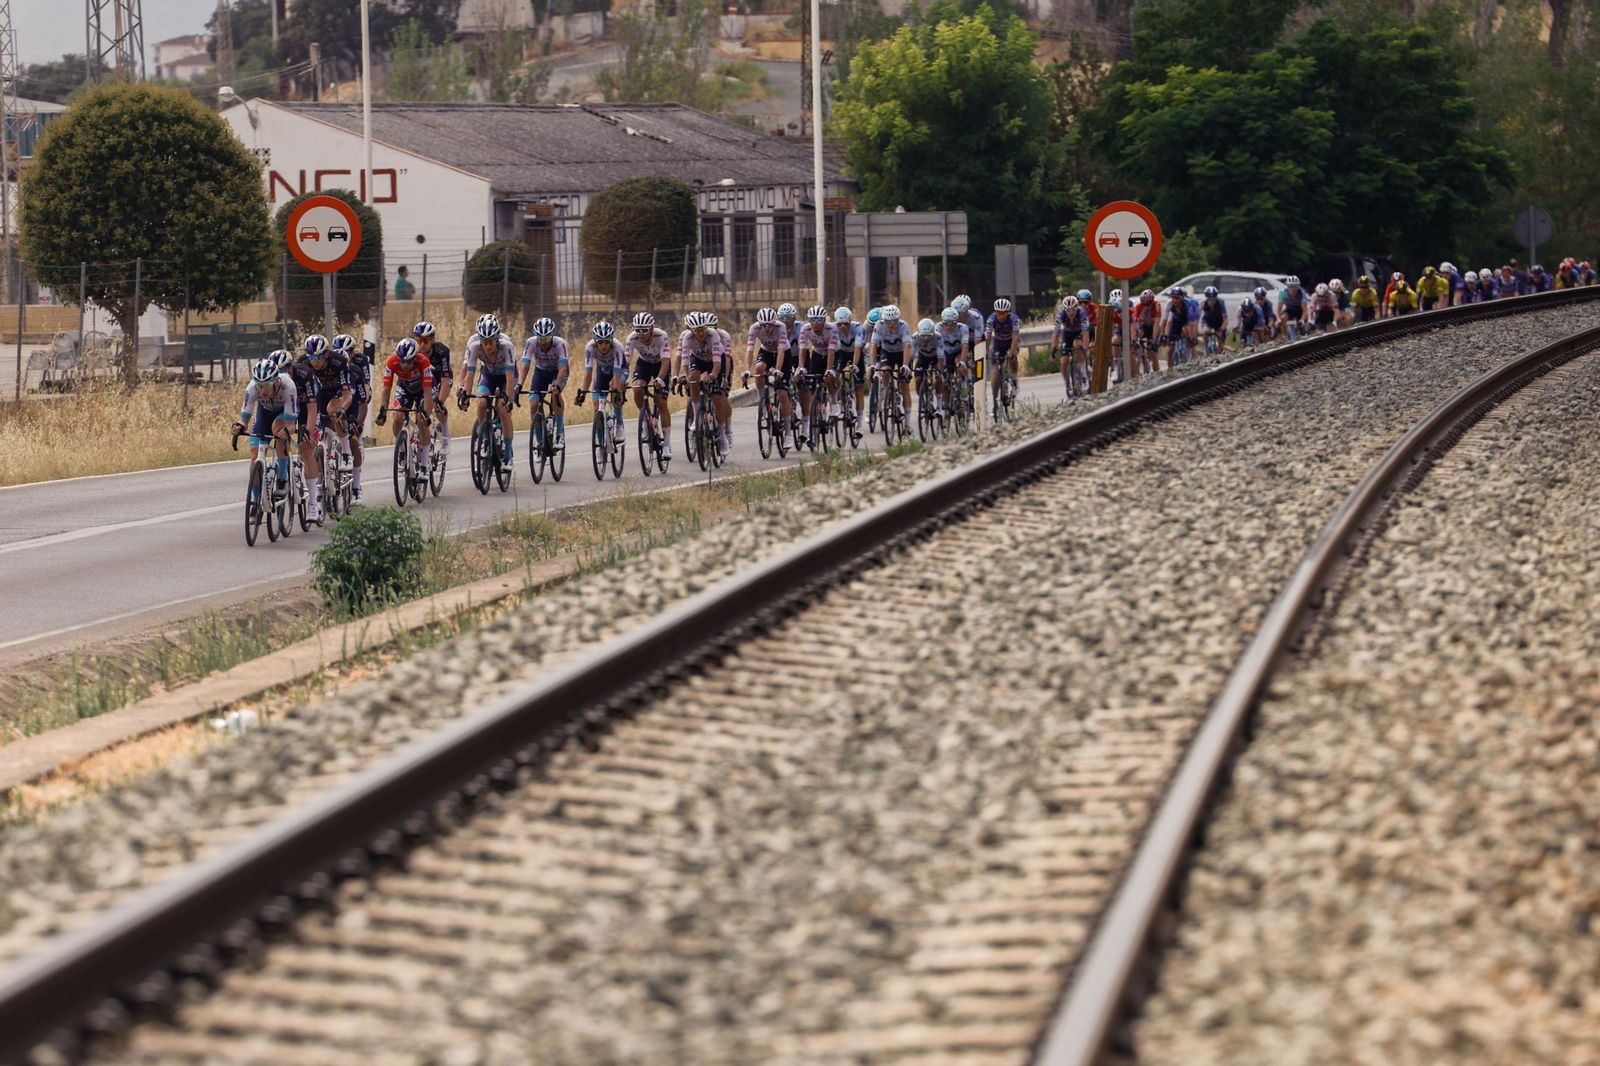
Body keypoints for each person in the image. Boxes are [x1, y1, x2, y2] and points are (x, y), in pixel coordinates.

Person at [231, 352, 297, 502]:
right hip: (264, 413)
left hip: (284, 414)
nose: (262, 390)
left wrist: (287, 431)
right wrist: (239, 427)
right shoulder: (252, 388)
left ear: (276, 382)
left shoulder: (288, 387)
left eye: (266, 385)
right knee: (254, 455)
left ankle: (282, 479)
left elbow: (291, 425)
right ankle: (255, 501)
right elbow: (244, 418)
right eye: (260, 386)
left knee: (279, 431)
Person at [302, 331, 353, 521]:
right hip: (316, 396)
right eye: (311, 357)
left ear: (326, 355)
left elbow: (349, 394)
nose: (314, 361)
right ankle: (319, 484)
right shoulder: (304, 364)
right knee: (314, 437)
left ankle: (346, 451)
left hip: (337, 391)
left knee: (334, 409)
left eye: (318, 357)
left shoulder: (338, 361)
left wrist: (343, 408)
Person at [458, 313, 519, 465]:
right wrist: (465, 395)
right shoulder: (474, 346)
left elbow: (510, 377)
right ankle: (485, 437)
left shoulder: (507, 346)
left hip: (506, 376)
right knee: (481, 402)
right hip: (489, 375)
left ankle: (508, 453)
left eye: (491, 342)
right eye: (485, 342)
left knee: (502, 408)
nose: (488, 346)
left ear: (497, 339)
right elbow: (470, 374)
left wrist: (509, 399)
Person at [374, 337, 435, 478]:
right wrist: (382, 411)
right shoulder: (391, 361)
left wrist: (426, 413)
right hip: (404, 388)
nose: (405, 364)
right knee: (397, 417)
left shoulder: (423, 362)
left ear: (415, 358)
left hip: (422, 390)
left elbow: (427, 391)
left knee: (421, 421)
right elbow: (387, 388)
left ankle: (425, 464)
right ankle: (402, 449)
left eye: (408, 361)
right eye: (402, 360)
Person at [518, 317, 570, 455]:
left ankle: (560, 433)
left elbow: (563, 367)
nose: (543, 342)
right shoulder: (531, 343)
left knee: (555, 394)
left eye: (546, 339)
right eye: (540, 339)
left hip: (557, 371)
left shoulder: (560, 344)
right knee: (534, 403)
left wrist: (557, 385)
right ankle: (539, 441)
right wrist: (519, 385)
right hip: (540, 371)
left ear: (552, 336)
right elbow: (525, 365)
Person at [680, 311, 729, 451]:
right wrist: (686, 377)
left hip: (715, 360)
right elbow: (685, 361)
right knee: (693, 377)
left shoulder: (713, 334)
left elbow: (717, 362)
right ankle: (696, 417)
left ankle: (723, 434)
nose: (701, 333)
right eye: (697, 330)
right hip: (698, 359)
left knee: (716, 397)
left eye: (703, 329)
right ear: (691, 330)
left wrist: (713, 374)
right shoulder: (687, 338)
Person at [627, 312, 672, 460]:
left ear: (652, 328)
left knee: (661, 401)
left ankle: (666, 444)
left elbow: (666, 361)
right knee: (637, 388)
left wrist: (659, 379)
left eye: (644, 330)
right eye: (637, 330)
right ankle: (645, 417)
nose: (641, 334)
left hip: (661, 365)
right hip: (644, 364)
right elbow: (625, 363)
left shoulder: (661, 336)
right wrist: (622, 379)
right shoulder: (632, 338)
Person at [746, 307, 794, 443]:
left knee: (782, 393)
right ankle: (762, 403)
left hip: (783, 353)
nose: (767, 328)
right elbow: (749, 350)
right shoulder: (754, 328)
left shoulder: (781, 327)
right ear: (759, 324)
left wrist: (777, 370)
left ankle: (788, 433)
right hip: (766, 352)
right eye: (764, 325)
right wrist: (746, 369)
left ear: (775, 323)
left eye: (770, 325)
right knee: (759, 368)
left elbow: (781, 350)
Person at [575, 321, 627, 445]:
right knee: (597, 406)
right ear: (595, 340)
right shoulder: (590, 347)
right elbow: (588, 372)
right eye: (600, 342)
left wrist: (618, 391)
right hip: (602, 372)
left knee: (615, 390)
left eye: (607, 341)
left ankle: (619, 425)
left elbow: (616, 373)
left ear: (611, 340)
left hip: (619, 371)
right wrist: (583, 392)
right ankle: (600, 444)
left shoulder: (617, 347)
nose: (603, 345)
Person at [334, 333, 370, 501]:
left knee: (354, 440)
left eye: (349, 351)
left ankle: (356, 487)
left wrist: (359, 424)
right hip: (336, 406)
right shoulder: (329, 369)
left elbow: (364, 399)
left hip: (354, 405)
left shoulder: (357, 368)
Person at [797, 305, 840, 444]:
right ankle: (816, 414)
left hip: (834, 354)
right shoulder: (805, 329)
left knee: (827, 378)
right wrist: (801, 368)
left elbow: (832, 352)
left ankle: (834, 403)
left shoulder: (831, 328)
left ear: (824, 320)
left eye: (819, 320)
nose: (816, 323)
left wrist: (829, 370)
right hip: (817, 354)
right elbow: (803, 351)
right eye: (813, 320)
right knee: (812, 389)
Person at [412, 320, 451, 456]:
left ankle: (445, 435)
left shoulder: (442, 351)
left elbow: (446, 378)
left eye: (426, 341)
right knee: (419, 406)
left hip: (441, 378)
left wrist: (440, 400)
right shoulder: (413, 354)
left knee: (437, 404)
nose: (422, 344)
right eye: (419, 340)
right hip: (424, 380)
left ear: (432, 340)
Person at [870, 304, 914, 423]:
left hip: (901, 353)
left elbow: (907, 346)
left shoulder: (903, 326)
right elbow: (873, 345)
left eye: (894, 321)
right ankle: (886, 391)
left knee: (904, 387)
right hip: (887, 352)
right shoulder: (879, 326)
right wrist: (873, 364)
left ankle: (907, 424)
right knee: (884, 371)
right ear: (884, 320)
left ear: (898, 319)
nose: (891, 324)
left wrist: (905, 365)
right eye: (888, 321)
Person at [834, 307, 866, 436]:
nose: (842, 327)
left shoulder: (858, 328)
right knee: (834, 374)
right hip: (841, 354)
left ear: (850, 322)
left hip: (855, 354)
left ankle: (859, 424)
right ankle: (839, 400)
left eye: (845, 324)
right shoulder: (833, 328)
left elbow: (858, 348)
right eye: (839, 324)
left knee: (859, 388)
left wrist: (855, 365)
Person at [983, 299, 1019, 404]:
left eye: (1004, 313)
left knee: (1012, 358)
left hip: (1011, 342)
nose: (1001, 315)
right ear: (995, 312)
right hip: (998, 343)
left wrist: (1012, 351)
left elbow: (1015, 337)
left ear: (1008, 312)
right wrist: (985, 350)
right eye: (999, 312)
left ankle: (1013, 378)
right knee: (994, 371)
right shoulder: (991, 319)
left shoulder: (1013, 319)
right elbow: (988, 336)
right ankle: (994, 400)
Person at [1054, 295, 1090, 396]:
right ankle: (1067, 383)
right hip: (1067, 334)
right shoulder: (1060, 314)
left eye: (1073, 310)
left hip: (1079, 333)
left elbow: (1086, 333)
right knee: (1064, 361)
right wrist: (1053, 350)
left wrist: (1085, 349)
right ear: (1064, 310)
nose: (1071, 313)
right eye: (1068, 310)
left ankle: (1084, 377)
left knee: (1077, 345)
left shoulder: (1082, 313)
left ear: (1077, 308)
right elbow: (1055, 334)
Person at [1198, 286, 1229, 350]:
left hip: (1219, 321)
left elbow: (1225, 320)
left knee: (1221, 343)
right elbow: (1196, 317)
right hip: (1208, 321)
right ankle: (1206, 349)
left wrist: (1222, 329)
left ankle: (1220, 352)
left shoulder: (1220, 302)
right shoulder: (1202, 303)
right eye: (1209, 299)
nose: (1211, 302)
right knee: (1205, 332)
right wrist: (1197, 331)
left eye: (1213, 299)